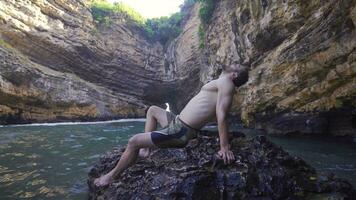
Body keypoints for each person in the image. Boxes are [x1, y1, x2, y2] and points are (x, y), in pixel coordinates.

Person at [94, 62, 249, 187]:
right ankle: (146, 151)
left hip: (181, 131)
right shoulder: (222, 82)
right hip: (177, 123)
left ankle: (110, 177)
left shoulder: (227, 83)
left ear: (234, 75)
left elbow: (221, 114)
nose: (233, 63)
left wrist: (224, 147)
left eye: (237, 65)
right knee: (152, 110)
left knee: (134, 141)